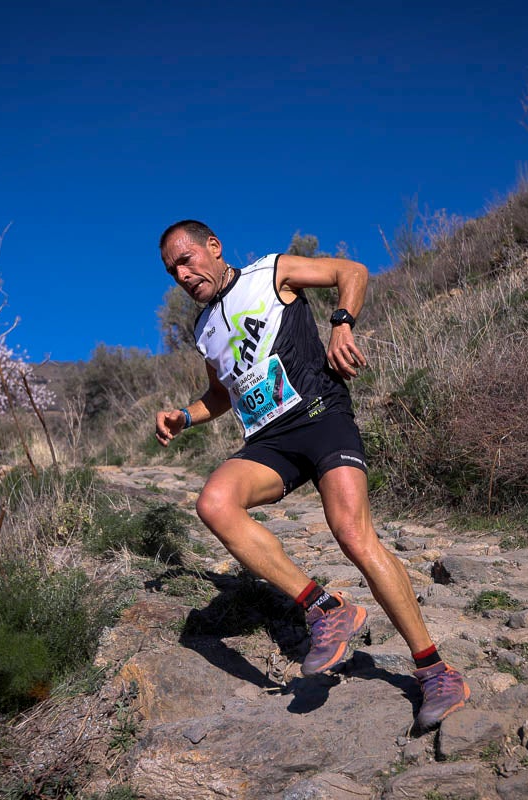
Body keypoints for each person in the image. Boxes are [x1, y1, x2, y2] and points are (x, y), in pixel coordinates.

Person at [154, 220, 468, 729]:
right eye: (173, 271)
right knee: (213, 503)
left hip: (321, 417)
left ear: (214, 247)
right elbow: (221, 394)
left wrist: (342, 323)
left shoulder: (271, 273)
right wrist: (183, 416)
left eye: (188, 259)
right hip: (270, 441)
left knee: (353, 535)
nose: (183, 274)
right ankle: (324, 607)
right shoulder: (203, 330)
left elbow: (353, 270)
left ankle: (435, 670)